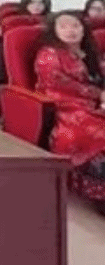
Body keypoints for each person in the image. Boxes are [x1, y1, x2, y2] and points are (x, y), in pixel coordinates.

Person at [32, 11, 105, 212]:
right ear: (54, 31)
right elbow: (59, 84)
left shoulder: (89, 51)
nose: (70, 31)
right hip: (65, 104)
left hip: (95, 102)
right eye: (63, 26)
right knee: (93, 131)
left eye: (75, 26)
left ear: (83, 29)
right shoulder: (49, 54)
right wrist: (97, 95)